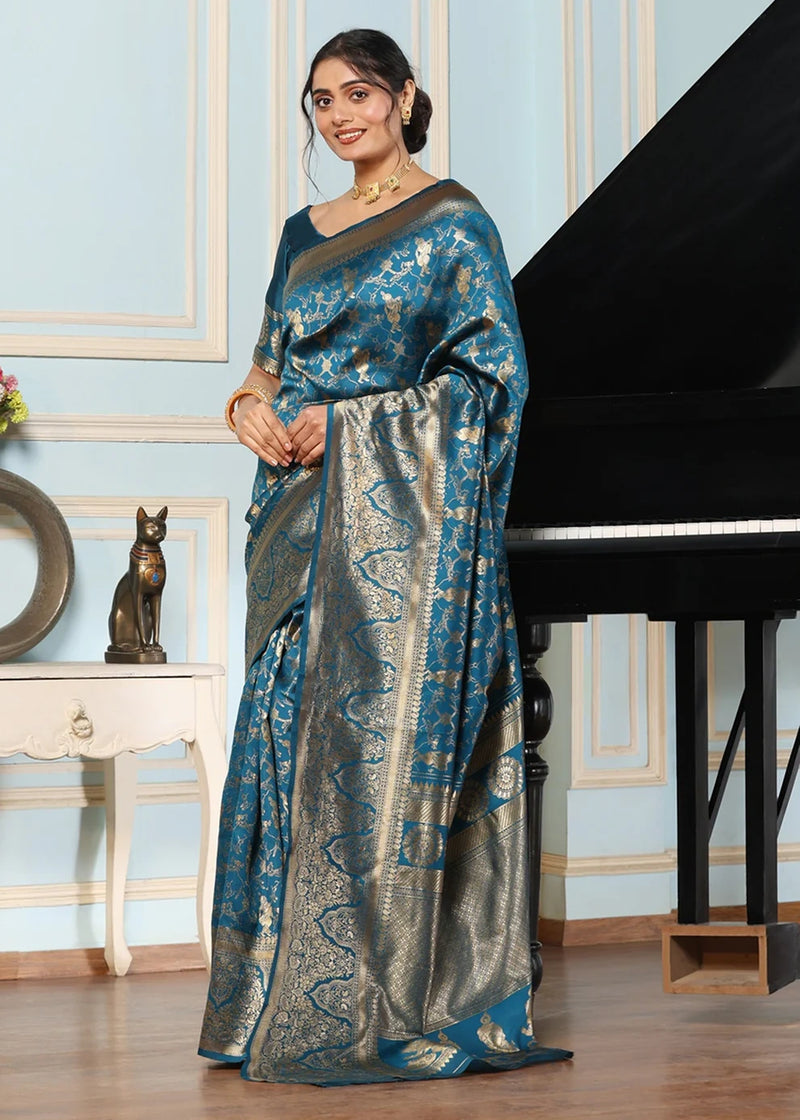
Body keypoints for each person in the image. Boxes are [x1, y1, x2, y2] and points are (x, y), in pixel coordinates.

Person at [199, 28, 570, 1085]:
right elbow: (268, 363)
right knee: (279, 735)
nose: (338, 115)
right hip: (294, 517)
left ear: (405, 98)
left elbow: (489, 384)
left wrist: (351, 426)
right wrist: (249, 410)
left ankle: (376, 991)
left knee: (367, 753)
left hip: (397, 536)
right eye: (320, 100)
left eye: (358, 93)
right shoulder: (298, 232)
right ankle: (258, 997)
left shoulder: (454, 224)